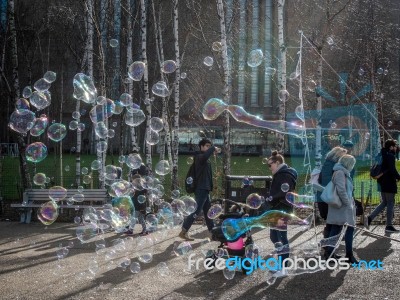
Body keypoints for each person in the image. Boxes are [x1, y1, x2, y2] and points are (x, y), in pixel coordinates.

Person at [179, 138, 219, 241]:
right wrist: (214, 147)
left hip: (205, 188)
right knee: (196, 210)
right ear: (201, 146)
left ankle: (213, 232)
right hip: (201, 188)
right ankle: (184, 231)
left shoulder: (204, 158)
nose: (208, 148)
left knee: (208, 211)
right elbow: (205, 156)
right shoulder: (199, 157)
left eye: (209, 146)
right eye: (206, 146)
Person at [265, 150, 298, 277]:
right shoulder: (281, 173)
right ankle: (281, 262)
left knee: (281, 237)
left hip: (282, 209)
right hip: (277, 208)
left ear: (277, 162)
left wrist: (271, 197)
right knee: (274, 237)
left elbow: (284, 191)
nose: (269, 168)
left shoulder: (285, 174)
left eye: (270, 165)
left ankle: (283, 268)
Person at [325, 154, 358, 264]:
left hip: (340, 206)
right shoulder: (340, 173)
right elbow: (341, 190)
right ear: (349, 164)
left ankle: (330, 253)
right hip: (343, 206)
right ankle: (349, 255)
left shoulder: (341, 172)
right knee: (349, 229)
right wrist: (348, 203)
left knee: (336, 228)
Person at [366, 139, 400, 233]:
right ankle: (389, 225)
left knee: (384, 202)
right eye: (395, 146)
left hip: (381, 182)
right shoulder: (390, 156)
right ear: (391, 147)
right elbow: (392, 170)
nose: (396, 148)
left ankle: (369, 218)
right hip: (389, 183)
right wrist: (399, 177)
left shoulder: (381, 154)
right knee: (390, 203)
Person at [317, 147, 348, 239]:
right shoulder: (334, 167)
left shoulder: (326, 165)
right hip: (329, 199)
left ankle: (328, 247)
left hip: (323, 198)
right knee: (333, 224)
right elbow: (333, 185)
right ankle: (329, 248)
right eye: (343, 157)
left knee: (330, 224)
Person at [128, 148, 150, 236]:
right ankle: (145, 230)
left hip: (140, 192)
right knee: (139, 214)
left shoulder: (141, 166)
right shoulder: (134, 167)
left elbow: (143, 180)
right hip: (136, 192)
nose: (131, 159)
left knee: (137, 212)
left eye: (132, 157)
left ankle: (131, 229)